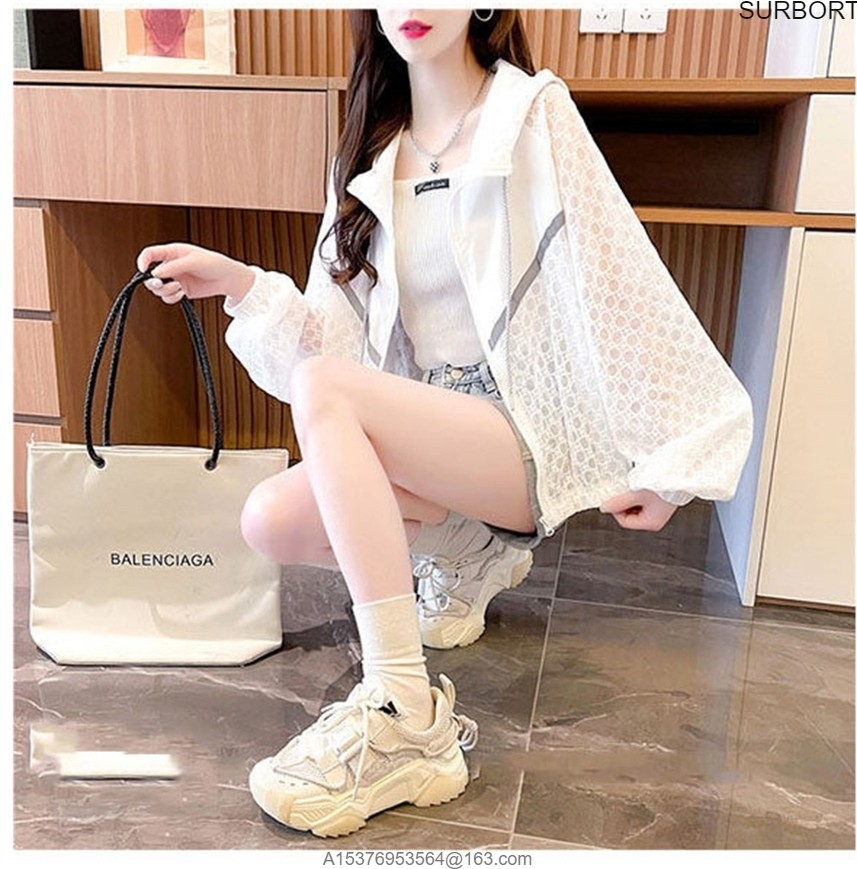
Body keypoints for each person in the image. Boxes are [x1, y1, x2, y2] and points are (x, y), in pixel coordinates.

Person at [137, 9, 753, 838]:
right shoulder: (369, 153)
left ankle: (406, 712)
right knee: (269, 518)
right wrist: (242, 283)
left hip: (516, 433)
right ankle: (467, 550)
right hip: (431, 427)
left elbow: (619, 278)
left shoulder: (531, 113)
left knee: (327, 394)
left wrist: (673, 463)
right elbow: (333, 348)